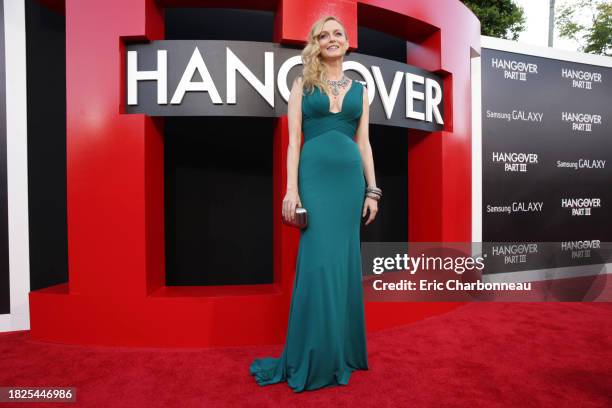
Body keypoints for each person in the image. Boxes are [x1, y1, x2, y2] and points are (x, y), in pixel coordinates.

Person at [249, 15, 382, 392]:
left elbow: (364, 143)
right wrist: (292, 190)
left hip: (350, 185)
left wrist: (373, 190)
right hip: (315, 181)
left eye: (337, 33)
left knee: (342, 266)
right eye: (323, 35)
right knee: (318, 265)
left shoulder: (361, 89)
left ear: (346, 41)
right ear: (316, 44)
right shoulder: (302, 84)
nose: (331, 39)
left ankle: (340, 352)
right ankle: (312, 355)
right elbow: (293, 142)